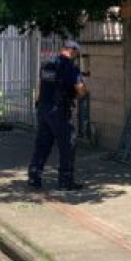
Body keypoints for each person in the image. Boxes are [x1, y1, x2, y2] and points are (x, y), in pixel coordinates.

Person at [28, 40, 88, 191]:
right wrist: (83, 93)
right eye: (77, 54)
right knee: (68, 143)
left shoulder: (47, 64)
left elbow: (41, 85)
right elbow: (80, 90)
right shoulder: (69, 67)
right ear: (73, 51)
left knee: (42, 143)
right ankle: (65, 181)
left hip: (43, 108)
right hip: (58, 111)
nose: (76, 57)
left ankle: (34, 177)